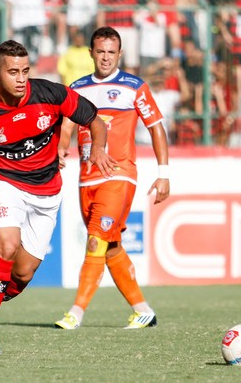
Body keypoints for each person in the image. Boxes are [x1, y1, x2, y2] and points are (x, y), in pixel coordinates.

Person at [0, 40, 115, 358]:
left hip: (47, 190)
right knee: (7, 246)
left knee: (22, 274)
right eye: (13, 72)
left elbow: (94, 119)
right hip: (3, 182)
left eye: (25, 71)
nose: (21, 78)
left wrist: (98, 147)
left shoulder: (51, 94)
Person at [54, 26, 170, 331]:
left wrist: (163, 174)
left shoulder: (134, 87)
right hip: (86, 180)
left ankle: (75, 313)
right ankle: (142, 310)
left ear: (120, 54)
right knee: (111, 245)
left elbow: (156, 126)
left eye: (111, 52)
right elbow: (67, 124)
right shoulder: (77, 88)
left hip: (119, 175)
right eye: (100, 52)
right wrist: (61, 150)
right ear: (91, 53)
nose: (106, 58)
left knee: (95, 241)